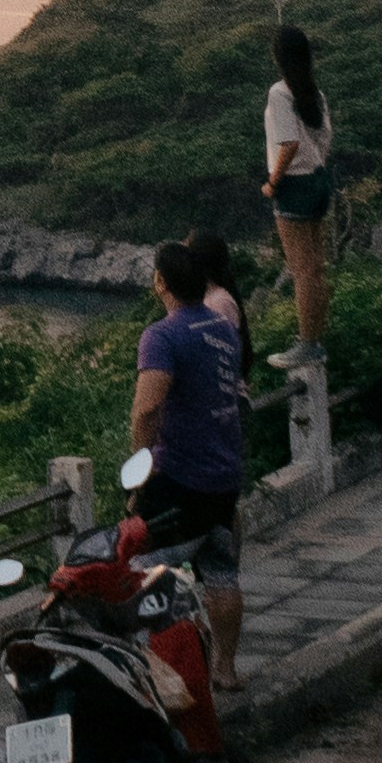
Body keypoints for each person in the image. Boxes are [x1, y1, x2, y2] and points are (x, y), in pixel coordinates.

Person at [128, 237, 245, 691]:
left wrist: (142, 470)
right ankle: (226, 670)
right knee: (223, 573)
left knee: (142, 571)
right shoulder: (222, 328)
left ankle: (160, 674)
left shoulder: (162, 335)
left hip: (179, 477)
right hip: (224, 474)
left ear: (160, 282)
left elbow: (146, 410)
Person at [263, 20, 339, 358]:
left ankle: (307, 344)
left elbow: (288, 144)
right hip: (319, 180)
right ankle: (316, 337)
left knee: (302, 269)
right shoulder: (315, 92)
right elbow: (326, 138)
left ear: (278, 57)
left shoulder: (280, 93)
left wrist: (272, 182)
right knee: (317, 266)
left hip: (294, 185)